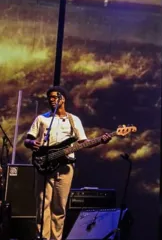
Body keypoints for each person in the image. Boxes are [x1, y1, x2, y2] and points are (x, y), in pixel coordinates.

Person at [24, 86, 111, 240]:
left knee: (59, 207)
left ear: (62, 99)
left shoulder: (73, 120)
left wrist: (100, 141)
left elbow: (83, 142)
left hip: (65, 167)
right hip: (44, 164)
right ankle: (42, 238)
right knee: (42, 205)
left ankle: (56, 238)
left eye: (54, 96)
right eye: (49, 97)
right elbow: (28, 139)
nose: (51, 100)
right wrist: (31, 143)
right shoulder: (42, 119)